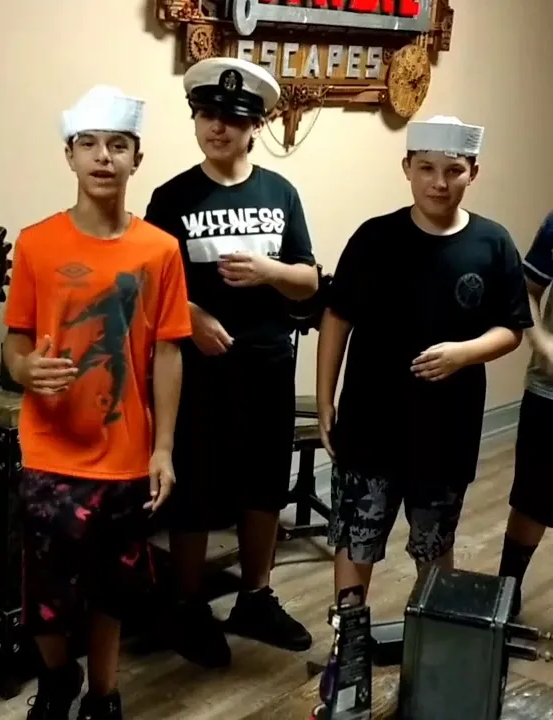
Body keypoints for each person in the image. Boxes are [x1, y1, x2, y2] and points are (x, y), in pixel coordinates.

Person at [316, 115, 532, 695]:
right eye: (427, 169)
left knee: (435, 542)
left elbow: (511, 327)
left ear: (472, 172)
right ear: (407, 169)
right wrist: (325, 399)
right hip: (371, 422)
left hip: (445, 430)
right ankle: (348, 649)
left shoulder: (492, 243)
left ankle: (436, 649)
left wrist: (465, 353)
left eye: (453, 170)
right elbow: (337, 317)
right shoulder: (374, 239)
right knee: (356, 536)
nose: (439, 182)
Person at [2, 85, 192, 720]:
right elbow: (15, 338)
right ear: (70, 156)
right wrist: (24, 369)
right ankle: (58, 678)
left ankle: (104, 695)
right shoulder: (37, 243)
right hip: (51, 447)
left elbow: (168, 351)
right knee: (46, 590)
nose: (103, 157)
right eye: (89, 145)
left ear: (137, 157)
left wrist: (163, 448)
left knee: (114, 588)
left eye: (117, 146)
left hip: (126, 451)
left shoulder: (160, 250)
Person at [144, 57, 319, 669]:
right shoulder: (172, 197)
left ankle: (255, 596)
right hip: (196, 370)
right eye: (207, 115)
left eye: (233, 118)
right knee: (193, 486)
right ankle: (187, 603)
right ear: (195, 119)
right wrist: (189, 314)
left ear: (256, 126)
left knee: (263, 482)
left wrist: (271, 271)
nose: (218, 127)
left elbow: (308, 280)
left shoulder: (280, 194)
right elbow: (148, 284)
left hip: (266, 363)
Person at [498, 210, 553, 619]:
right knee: (533, 501)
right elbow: (526, 290)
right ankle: (506, 590)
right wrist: (545, 346)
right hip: (550, 393)